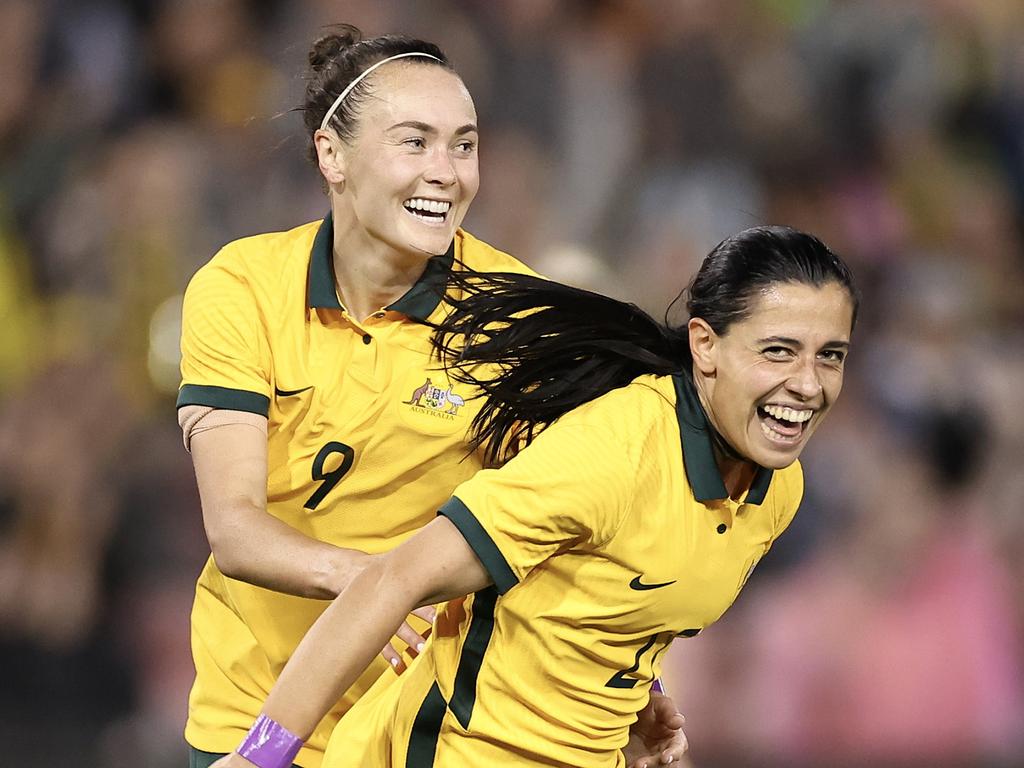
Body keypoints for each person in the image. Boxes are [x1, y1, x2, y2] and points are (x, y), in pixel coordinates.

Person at [176, 25, 685, 768]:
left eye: (464, 145)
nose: (446, 173)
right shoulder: (241, 288)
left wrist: (631, 689)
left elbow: (560, 534)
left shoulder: (515, 320)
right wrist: (376, 586)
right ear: (332, 154)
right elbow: (235, 530)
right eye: (414, 143)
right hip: (250, 724)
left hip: (416, 735)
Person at [209, 225, 860, 768]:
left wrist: (640, 694)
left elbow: (604, 593)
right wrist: (259, 757)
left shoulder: (779, 490)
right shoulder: (612, 455)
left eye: (830, 356)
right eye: (779, 351)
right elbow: (394, 578)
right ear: (705, 345)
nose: (808, 383)